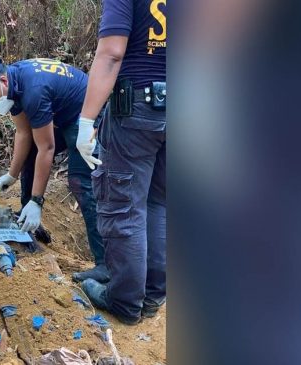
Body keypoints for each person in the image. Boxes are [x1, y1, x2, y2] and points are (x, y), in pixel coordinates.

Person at [0, 58, 108, 282]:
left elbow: (47, 148)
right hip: (66, 112)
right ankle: (28, 225)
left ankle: (105, 264)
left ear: (2, 81)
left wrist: (37, 201)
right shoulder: (14, 86)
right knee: (31, 149)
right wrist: (12, 175)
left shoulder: (33, 92)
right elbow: (24, 134)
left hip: (87, 113)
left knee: (80, 181)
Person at [75, 0, 167, 325]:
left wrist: (86, 120)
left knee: (125, 207)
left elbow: (112, 52)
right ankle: (153, 296)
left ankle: (125, 301)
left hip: (139, 110)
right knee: (160, 203)